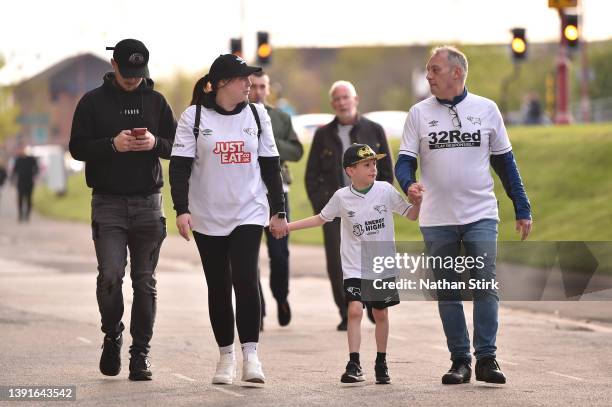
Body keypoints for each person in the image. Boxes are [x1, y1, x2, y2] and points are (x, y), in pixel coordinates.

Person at [395, 45, 532, 385]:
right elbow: (404, 161)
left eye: (434, 70)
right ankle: (460, 360)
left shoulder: (487, 110)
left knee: (484, 284)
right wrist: (409, 184)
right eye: (428, 71)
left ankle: (487, 358)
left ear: (457, 73)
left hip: (480, 214)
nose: (428, 76)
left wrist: (522, 207)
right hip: (437, 219)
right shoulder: (418, 114)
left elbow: (505, 163)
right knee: (448, 290)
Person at [170, 54, 287, 385]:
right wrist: (182, 209)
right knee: (218, 285)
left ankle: (251, 355)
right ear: (221, 83)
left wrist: (278, 210)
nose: (249, 83)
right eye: (242, 79)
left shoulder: (256, 113)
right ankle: (226, 357)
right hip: (207, 214)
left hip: (248, 210)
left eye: (250, 78)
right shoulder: (193, 117)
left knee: (246, 278)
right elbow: (178, 168)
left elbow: (270, 164)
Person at [69, 39, 177, 381]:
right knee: (111, 276)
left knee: (144, 282)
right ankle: (112, 332)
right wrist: (111, 145)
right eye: (127, 72)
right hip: (108, 203)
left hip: (149, 202)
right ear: (114, 65)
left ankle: (140, 355)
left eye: (139, 73)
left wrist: (155, 144)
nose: (133, 79)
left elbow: (178, 146)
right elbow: (76, 148)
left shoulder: (157, 101)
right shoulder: (92, 103)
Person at [289, 143, 421, 384]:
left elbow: (411, 214)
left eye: (374, 164)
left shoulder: (385, 191)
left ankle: (381, 361)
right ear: (351, 170)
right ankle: (354, 363)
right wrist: (288, 227)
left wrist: (417, 202)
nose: (373, 169)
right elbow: (320, 219)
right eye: (366, 165)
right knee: (354, 309)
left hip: (381, 264)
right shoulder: (341, 197)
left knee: (380, 312)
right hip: (354, 265)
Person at [305, 81, 393, 331]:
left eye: (346, 97)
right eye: (337, 99)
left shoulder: (374, 130)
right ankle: (346, 310)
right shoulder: (323, 134)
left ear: (356, 99)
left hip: (370, 209)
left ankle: (377, 306)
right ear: (333, 104)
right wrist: (324, 205)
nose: (342, 102)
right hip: (337, 210)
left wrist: (378, 201)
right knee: (338, 262)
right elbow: (312, 175)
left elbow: (386, 171)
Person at [249, 70, 303, 329]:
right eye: (253, 87)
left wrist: (269, 142)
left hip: (278, 192)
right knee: (248, 255)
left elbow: (297, 150)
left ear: (269, 89)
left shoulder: (280, 117)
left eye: (262, 87)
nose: (258, 91)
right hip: (247, 194)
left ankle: (281, 297)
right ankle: (256, 306)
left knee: (279, 255)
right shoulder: (239, 116)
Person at [11, 144, 38, 222]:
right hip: (20, 182)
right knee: (20, 199)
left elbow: (36, 168)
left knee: (29, 199)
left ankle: (27, 215)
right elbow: (14, 170)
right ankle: (20, 215)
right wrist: (12, 180)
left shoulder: (31, 159)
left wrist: (34, 174)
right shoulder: (18, 159)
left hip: (29, 182)